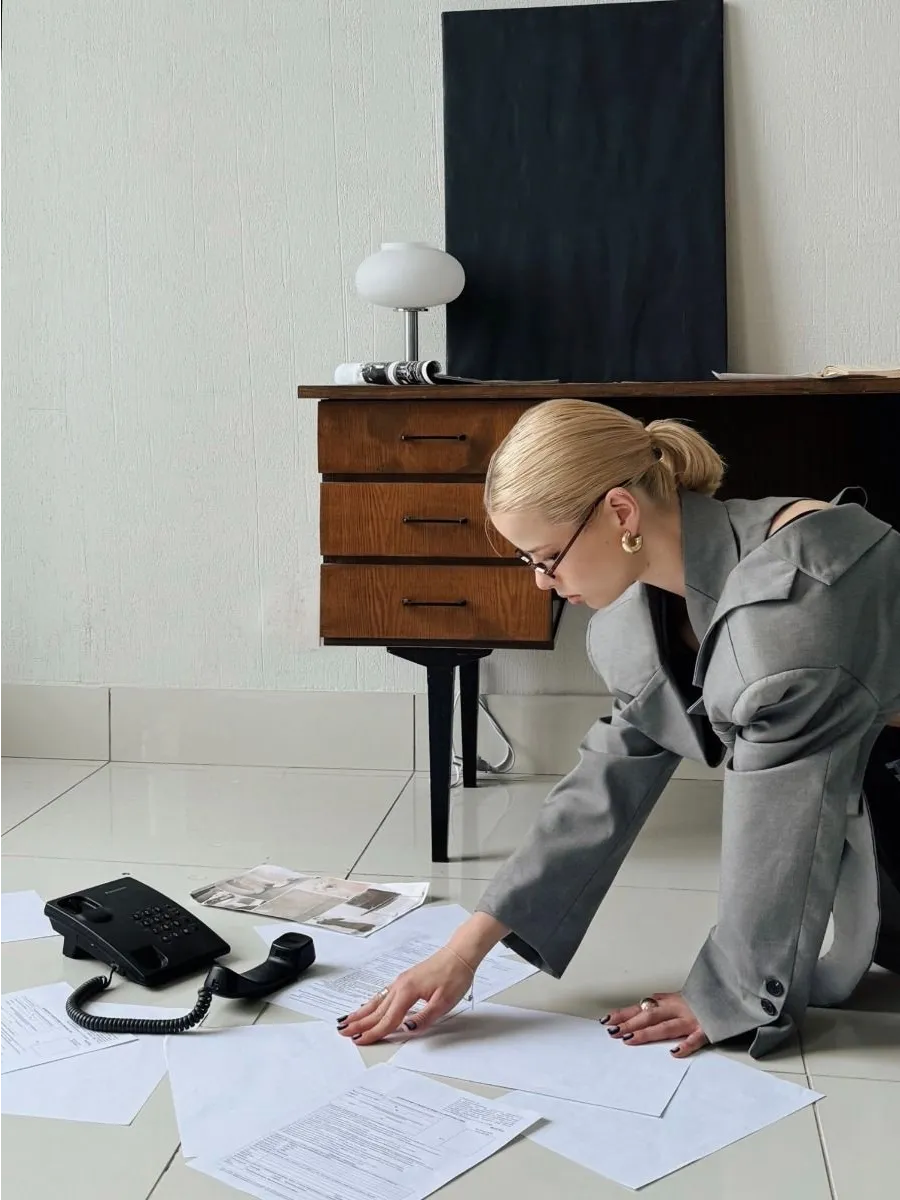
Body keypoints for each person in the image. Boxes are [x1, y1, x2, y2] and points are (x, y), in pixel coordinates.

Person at [337, 399, 900, 1059]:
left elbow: (780, 827)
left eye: (548, 557)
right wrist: (464, 951)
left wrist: (730, 997)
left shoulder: (790, 608)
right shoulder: (659, 600)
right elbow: (606, 781)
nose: (543, 582)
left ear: (622, 513)